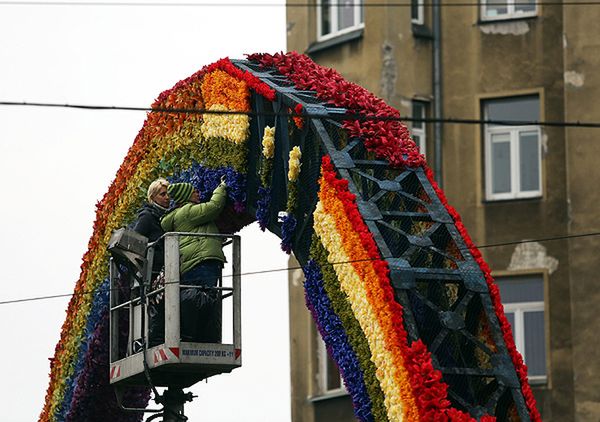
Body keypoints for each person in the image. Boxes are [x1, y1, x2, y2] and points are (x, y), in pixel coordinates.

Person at [161, 178, 227, 343]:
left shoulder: (179, 215)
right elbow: (214, 207)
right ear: (185, 196)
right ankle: (200, 338)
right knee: (205, 301)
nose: (198, 192)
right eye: (193, 191)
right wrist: (221, 187)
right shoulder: (187, 212)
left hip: (194, 262)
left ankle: (194, 337)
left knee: (196, 300)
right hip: (202, 260)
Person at [132, 177, 170, 347]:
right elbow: (134, 242)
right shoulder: (147, 217)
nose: (167, 197)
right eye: (163, 194)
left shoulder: (168, 217)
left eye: (168, 194)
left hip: (166, 272)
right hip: (151, 275)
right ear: (152, 197)